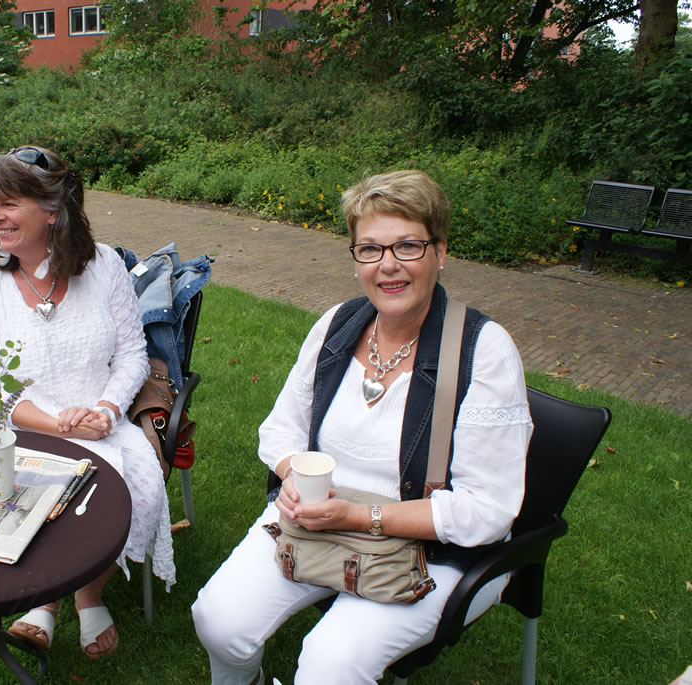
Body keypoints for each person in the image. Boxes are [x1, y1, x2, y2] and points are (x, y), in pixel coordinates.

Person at [191, 170, 533, 684]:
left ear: (440, 252)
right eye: (370, 249)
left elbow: (486, 509)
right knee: (218, 621)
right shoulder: (337, 324)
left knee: (330, 664)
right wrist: (293, 477)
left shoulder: (482, 351)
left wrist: (359, 516)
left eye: (408, 246)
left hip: (431, 553)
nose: (388, 265)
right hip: (319, 522)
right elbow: (281, 430)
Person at [0, 146, 175, 659]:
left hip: (101, 419)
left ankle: (89, 593)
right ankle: (47, 600)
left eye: (9, 203)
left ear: (53, 211)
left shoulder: (104, 267)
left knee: (133, 487)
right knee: (39, 494)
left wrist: (107, 409)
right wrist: (54, 423)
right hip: (19, 426)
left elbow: (132, 354)